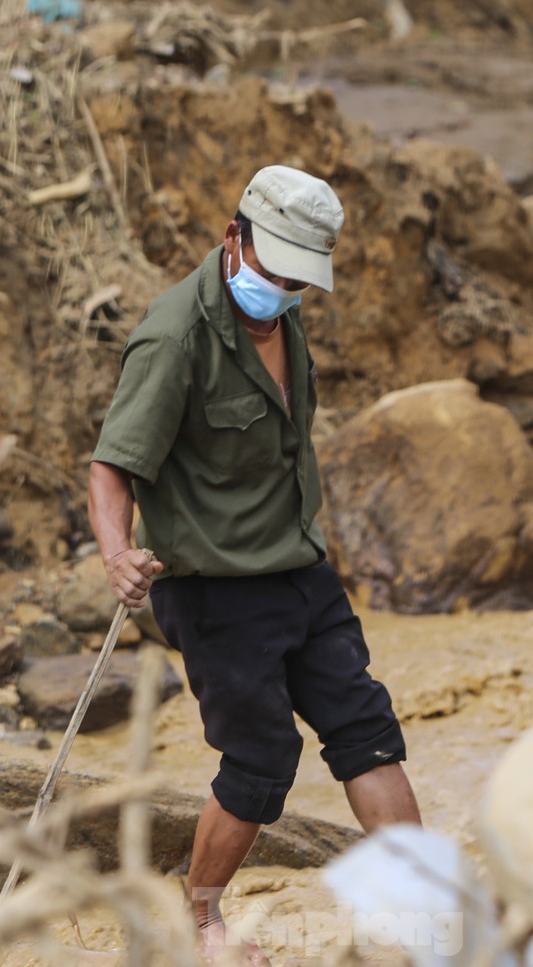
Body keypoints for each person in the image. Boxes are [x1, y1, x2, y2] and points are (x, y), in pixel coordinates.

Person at [88, 165, 422, 959]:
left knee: (367, 726)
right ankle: (200, 913)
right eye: (275, 272)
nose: (285, 290)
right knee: (262, 757)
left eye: (300, 279)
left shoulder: (285, 316)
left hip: (299, 570)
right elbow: (113, 465)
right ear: (233, 238)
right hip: (217, 590)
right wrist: (116, 552)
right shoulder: (174, 337)